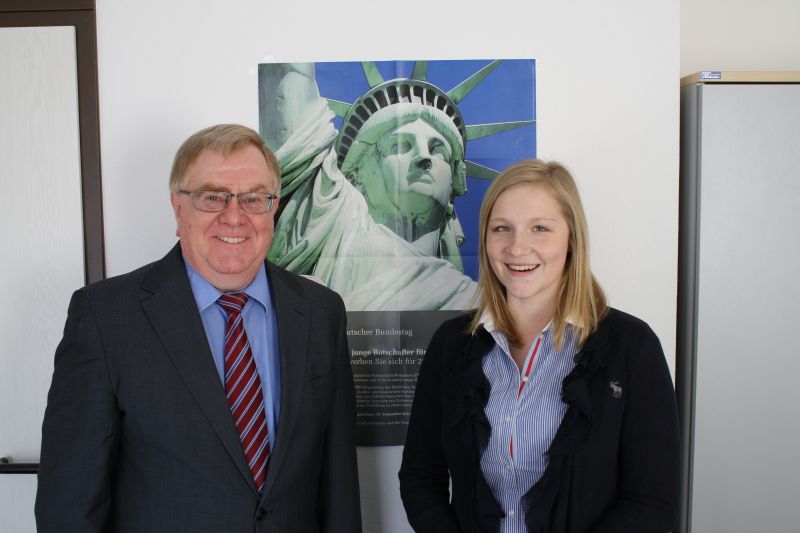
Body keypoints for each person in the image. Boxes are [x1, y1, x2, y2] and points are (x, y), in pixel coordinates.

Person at [35, 124, 362, 533]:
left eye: (253, 198)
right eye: (213, 197)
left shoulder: (321, 312)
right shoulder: (105, 317)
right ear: (177, 207)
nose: (234, 216)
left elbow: (339, 488)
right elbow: (69, 504)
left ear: (273, 206)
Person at [398, 160, 680, 532]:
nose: (518, 247)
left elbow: (653, 500)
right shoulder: (451, 345)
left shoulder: (632, 348)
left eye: (540, 228)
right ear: (485, 238)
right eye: (502, 228)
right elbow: (421, 477)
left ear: (571, 239)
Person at [259, 62, 478, 310]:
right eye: (400, 146)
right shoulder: (329, 225)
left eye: (438, 150)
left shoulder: (472, 299)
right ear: (356, 176)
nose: (423, 157)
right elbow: (290, 101)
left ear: (453, 186)